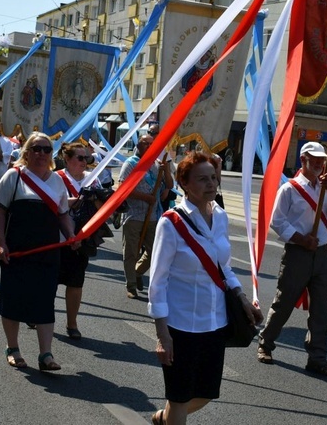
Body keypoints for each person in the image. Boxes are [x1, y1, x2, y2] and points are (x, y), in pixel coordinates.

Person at [148, 152, 262, 425]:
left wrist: (242, 296)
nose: (211, 184)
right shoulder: (171, 222)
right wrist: (162, 334)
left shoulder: (220, 217)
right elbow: (157, 281)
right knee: (179, 396)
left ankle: (165, 417)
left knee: (207, 392)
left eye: (213, 177)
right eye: (202, 179)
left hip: (215, 323)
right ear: (184, 183)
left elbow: (225, 269)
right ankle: (172, 415)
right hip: (181, 325)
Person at [0, 132, 78, 371]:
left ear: (52, 154)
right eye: (36, 149)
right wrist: (1, 242)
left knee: (44, 300)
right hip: (17, 250)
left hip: (47, 252)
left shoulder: (57, 181)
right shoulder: (14, 176)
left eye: (46, 150)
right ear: (27, 152)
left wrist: (70, 234)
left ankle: (46, 354)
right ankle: (13, 348)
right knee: (13, 299)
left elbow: (62, 214)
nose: (41, 153)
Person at [257, 141, 327, 377]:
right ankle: (266, 343)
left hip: (322, 255)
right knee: (283, 303)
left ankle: (317, 357)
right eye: (314, 158)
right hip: (298, 253)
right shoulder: (290, 189)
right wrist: (302, 239)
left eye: (322, 159)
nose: (318, 163)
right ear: (303, 159)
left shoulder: (325, 185)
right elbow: (277, 221)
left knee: (320, 309)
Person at [56, 142, 106, 340]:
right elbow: (52, 203)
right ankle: (40, 314)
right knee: (50, 280)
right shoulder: (56, 178)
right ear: (67, 159)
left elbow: (102, 208)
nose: (84, 162)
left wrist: (97, 198)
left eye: (86, 158)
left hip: (82, 239)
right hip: (58, 238)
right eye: (80, 158)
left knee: (76, 282)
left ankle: (72, 323)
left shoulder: (93, 181)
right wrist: (78, 199)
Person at [118, 134, 173, 298]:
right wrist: (145, 198)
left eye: (151, 143)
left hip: (153, 216)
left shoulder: (157, 164)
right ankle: (131, 285)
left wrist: (167, 170)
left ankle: (137, 272)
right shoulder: (130, 164)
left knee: (155, 251)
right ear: (138, 145)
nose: (149, 146)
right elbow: (123, 188)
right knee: (131, 252)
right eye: (145, 143)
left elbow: (169, 185)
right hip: (134, 215)